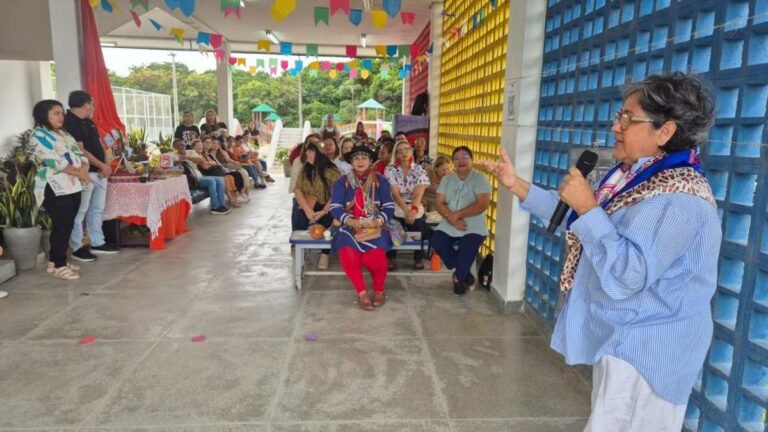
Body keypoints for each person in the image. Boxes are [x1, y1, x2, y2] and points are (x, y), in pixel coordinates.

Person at [479, 73, 721, 432]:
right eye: (619, 115)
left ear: (665, 132)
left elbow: (627, 274)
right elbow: (577, 219)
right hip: (622, 337)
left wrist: (588, 207)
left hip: (647, 350)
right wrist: (517, 185)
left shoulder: (678, 197)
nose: (616, 126)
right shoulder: (636, 177)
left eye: (628, 118)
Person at [329, 146, 395, 311]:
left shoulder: (380, 181)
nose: (360, 161)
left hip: (375, 226)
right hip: (349, 226)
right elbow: (335, 207)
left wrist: (378, 220)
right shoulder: (343, 182)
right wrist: (350, 220)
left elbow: (389, 207)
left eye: (364, 158)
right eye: (356, 158)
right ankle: (362, 292)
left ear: (371, 161)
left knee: (376, 254)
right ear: (351, 162)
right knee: (348, 251)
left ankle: (379, 290)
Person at [30, 99, 91, 280]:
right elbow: (54, 161)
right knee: (62, 225)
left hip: (73, 184)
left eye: (62, 113)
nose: (61, 117)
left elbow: (80, 154)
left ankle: (54, 260)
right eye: (56, 113)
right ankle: (59, 265)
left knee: (68, 223)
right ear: (44, 115)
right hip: (54, 186)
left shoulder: (65, 134)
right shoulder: (38, 135)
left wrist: (84, 168)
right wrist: (79, 173)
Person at [63, 90, 118, 263]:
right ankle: (77, 246)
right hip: (84, 172)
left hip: (99, 171)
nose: (93, 107)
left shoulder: (88, 121)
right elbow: (80, 150)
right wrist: (101, 165)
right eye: (92, 103)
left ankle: (97, 242)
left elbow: (99, 144)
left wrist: (105, 164)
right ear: (86, 104)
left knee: (97, 208)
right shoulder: (69, 122)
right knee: (81, 211)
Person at [431, 147, 492, 295]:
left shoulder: (480, 178)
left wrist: (458, 214)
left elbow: (482, 204)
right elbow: (439, 203)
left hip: (473, 224)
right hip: (449, 221)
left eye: (465, 157)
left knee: (467, 247)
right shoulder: (447, 179)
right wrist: (452, 219)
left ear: (472, 160)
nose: (461, 161)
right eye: (457, 159)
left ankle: (458, 279)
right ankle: (464, 273)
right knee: (437, 240)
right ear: (453, 162)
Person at [293, 142, 340, 270]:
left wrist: (324, 211)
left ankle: (325, 253)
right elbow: (297, 189)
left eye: (310, 151)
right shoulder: (305, 168)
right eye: (306, 151)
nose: (306, 153)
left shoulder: (331, 169)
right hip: (309, 204)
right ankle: (301, 251)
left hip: (327, 206)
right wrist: (308, 210)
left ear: (318, 153)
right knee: (298, 215)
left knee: (331, 218)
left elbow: (337, 193)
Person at [384, 140, 430, 270]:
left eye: (407, 149)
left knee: (419, 224)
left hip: (414, 203)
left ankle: (418, 257)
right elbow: (395, 193)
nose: (404, 152)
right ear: (396, 154)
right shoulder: (390, 169)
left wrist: (413, 211)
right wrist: (406, 211)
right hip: (397, 203)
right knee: (391, 223)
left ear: (411, 151)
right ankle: (390, 257)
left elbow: (418, 193)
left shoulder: (419, 169)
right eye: (400, 151)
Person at [187, 139, 240, 209]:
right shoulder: (191, 153)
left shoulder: (203, 155)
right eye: (198, 146)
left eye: (201, 145)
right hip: (201, 176)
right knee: (215, 181)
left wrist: (208, 162)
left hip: (205, 174)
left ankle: (221, 204)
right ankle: (216, 206)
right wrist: (207, 162)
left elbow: (214, 162)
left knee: (223, 179)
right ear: (193, 147)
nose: (200, 147)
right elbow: (204, 165)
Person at [210, 138, 251, 202]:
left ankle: (245, 193)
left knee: (244, 172)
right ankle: (239, 194)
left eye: (217, 144)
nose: (216, 145)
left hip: (226, 167)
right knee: (237, 174)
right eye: (214, 143)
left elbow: (229, 160)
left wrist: (235, 162)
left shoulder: (221, 152)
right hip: (222, 169)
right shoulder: (209, 154)